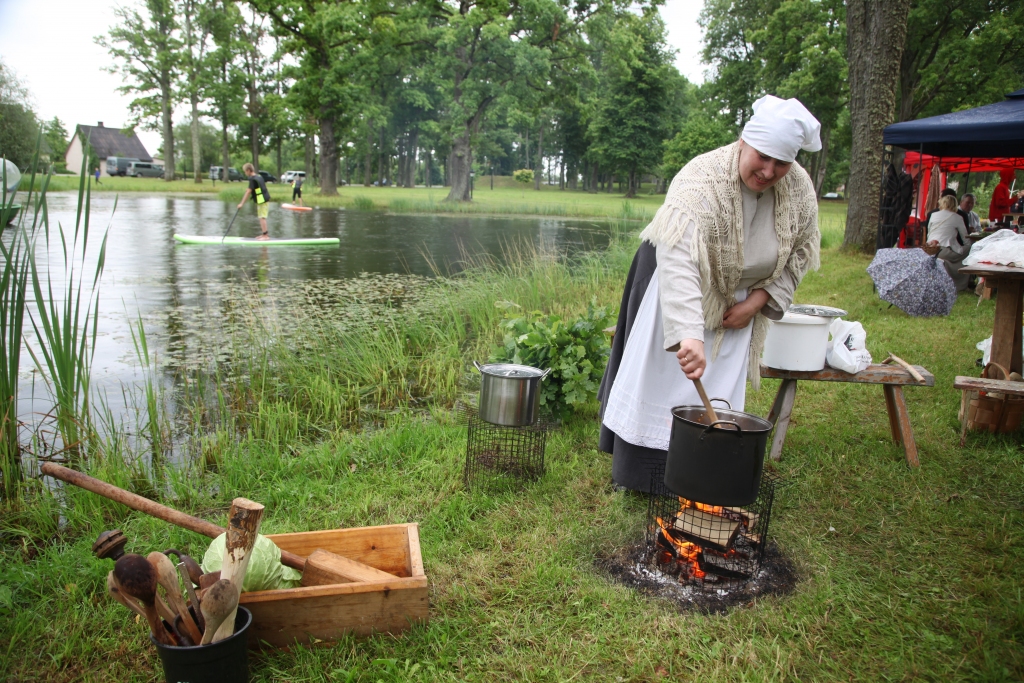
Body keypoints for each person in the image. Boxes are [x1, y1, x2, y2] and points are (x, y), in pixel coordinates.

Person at [597, 95, 821, 493]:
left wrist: (755, 304)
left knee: (715, 393)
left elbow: (799, 255)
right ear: (743, 142)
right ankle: (639, 475)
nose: (769, 171)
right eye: (762, 157)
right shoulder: (700, 179)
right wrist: (689, 334)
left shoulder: (800, 190)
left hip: (741, 303)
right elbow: (679, 259)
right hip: (681, 288)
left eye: (781, 163)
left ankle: (699, 477)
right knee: (660, 379)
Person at [926, 194, 970, 291]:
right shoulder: (957, 217)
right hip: (945, 251)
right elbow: (965, 237)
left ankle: (948, 270)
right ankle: (960, 283)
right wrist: (968, 245)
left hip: (930, 249)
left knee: (952, 254)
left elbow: (929, 233)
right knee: (970, 249)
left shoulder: (933, 215)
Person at [238, 162, 272, 240]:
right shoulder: (258, 176)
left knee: (262, 217)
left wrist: (241, 204)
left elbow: (248, 192)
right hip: (263, 200)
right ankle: (264, 234)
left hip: (263, 201)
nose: (245, 173)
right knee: (261, 217)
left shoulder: (252, 179)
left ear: (248, 170)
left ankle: (265, 236)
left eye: (245, 171)